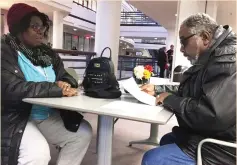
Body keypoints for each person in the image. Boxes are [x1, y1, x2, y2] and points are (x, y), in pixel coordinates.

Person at [1, 3, 92, 165]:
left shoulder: (47, 53)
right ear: (19, 28)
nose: (41, 30)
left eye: (43, 25)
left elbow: (64, 75)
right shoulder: (5, 50)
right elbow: (10, 88)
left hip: (43, 114)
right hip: (17, 117)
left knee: (82, 133)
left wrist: (65, 83)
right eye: (34, 26)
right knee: (37, 155)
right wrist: (54, 88)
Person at [141, 13, 236, 165]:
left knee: (153, 159)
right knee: (167, 139)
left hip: (221, 148)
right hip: (213, 136)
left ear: (205, 37)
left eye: (184, 41)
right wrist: (158, 89)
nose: (181, 49)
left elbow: (213, 115)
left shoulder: (229, 60)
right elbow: (189, 89)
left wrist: (169, 99)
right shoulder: (213, 56)